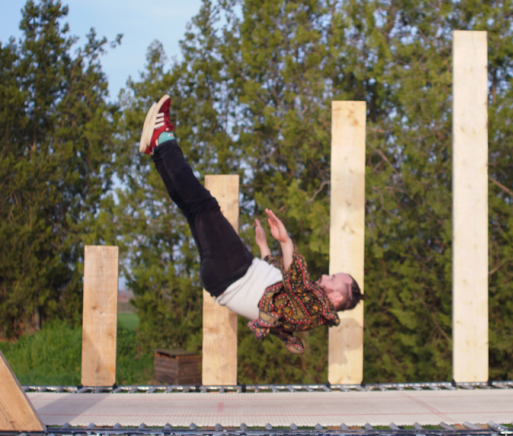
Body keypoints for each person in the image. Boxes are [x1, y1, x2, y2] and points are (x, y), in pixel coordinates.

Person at [139, 95, 364, 354]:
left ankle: (163, 136)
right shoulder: (307, 311)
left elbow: (292, 282)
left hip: (233, 271)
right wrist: (265, 248)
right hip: (229, 275)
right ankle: (157, 150)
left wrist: (286, 241)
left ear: (336, 297)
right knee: (192, 209)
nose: (326, 276)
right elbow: (277, 291)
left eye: (333, 279)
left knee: (203, 205)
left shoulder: (311, 305)